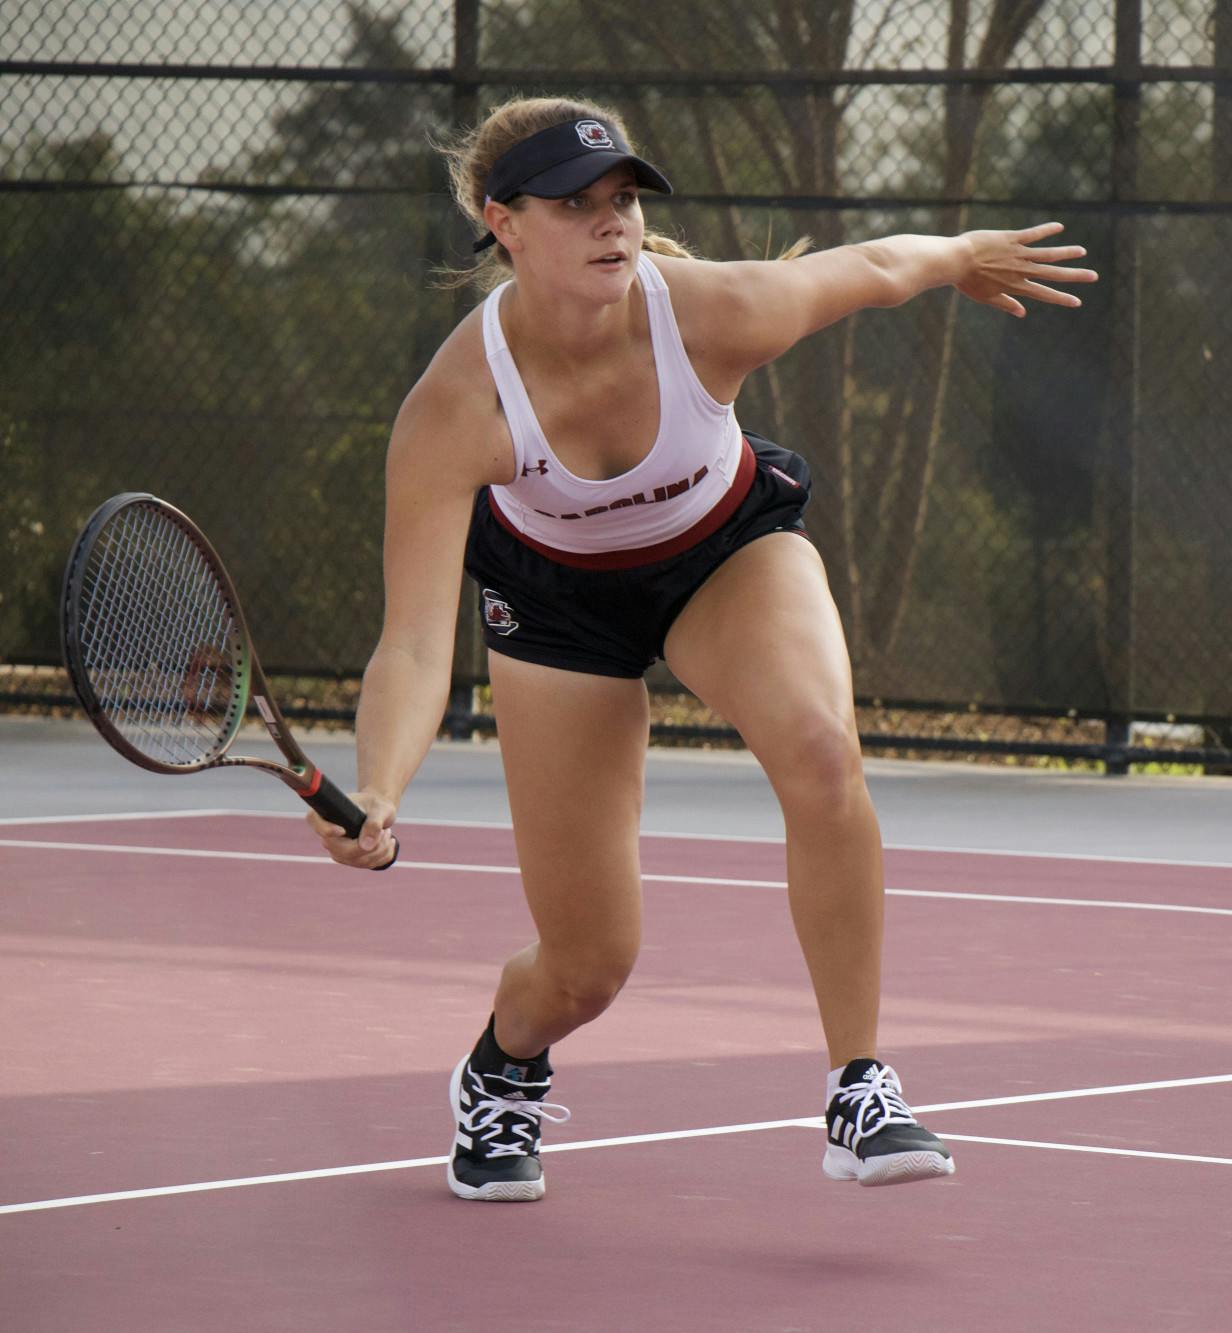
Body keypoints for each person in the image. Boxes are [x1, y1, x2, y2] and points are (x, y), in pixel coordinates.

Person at [304, 96, 1095, 1201]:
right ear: (504, 222)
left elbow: (870, 266)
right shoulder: (453, 409)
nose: (611, 222)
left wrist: (961, 254)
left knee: (821, 752)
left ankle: (859, 1084)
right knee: (587, 965)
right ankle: (502, 1065)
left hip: (723, 552)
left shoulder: (712, 310)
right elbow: (411, 640)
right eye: (576, 204)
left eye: (622, 198)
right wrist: (380, 786)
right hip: (557, 610)